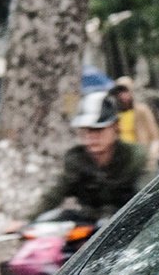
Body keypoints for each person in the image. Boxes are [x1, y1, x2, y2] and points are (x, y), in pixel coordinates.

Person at [31, 89, 151, 218]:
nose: (91, 137)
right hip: (89, 227)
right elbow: (53, 193)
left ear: (115, 126)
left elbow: (147, 196)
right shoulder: (76, 159)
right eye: (86, 131)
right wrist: (27, 220)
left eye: (98, 130)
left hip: (126, 225)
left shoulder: (134, 157)